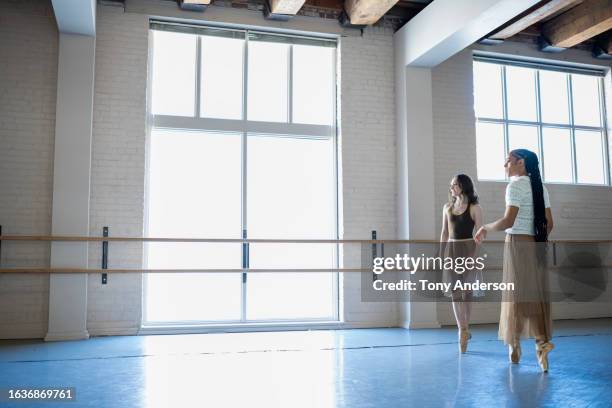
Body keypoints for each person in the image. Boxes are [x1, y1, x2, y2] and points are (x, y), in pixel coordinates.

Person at [474, 149, 554, 372]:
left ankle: (519, 344)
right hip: (537, 245)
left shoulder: (515, 186)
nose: (505, 165)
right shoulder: (540, 187)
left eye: (508, 161)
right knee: (534, 295)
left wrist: (485, 227)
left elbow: (508, 221)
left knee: (516, 297)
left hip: (518, 245)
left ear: (521, 163)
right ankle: (540, 345)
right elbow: (550, 223)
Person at [440, 174, 483, 353]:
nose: (451, 188)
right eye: (451, 185)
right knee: (455, 291)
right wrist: (441, 255)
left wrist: (473, 257)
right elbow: (444, 232)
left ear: (463, 186)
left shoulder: (475, 208)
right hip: (451, 250)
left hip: (468, 250)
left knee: (467, 292)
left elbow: (480, 235)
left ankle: (465, 326)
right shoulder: (447, 207)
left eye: (454, 185)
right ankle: (462, 329)